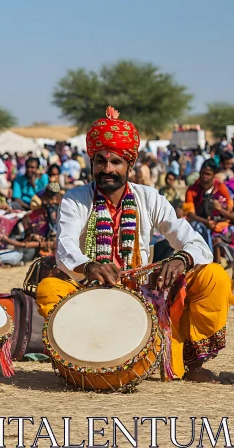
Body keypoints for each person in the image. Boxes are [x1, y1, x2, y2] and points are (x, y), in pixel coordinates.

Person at [42, 106, 231, 384]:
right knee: (49, 289)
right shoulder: (76, 198)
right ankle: (83, 363)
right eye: (101, 162)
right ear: (92, 164)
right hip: (89, 294)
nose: (108, 169)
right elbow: (66, 245)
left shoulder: (149, 198)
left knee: (214, 276)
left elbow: (190, 238)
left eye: (116, 162)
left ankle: (191, 363)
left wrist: (180, 261)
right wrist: (89, 265)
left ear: (130, 165)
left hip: (144, 293)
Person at [185, 160, 234, 250]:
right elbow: (190, 214)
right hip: (201, 223)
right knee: (199, 228)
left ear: (214, 174)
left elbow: (230, 213)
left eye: (208, 174)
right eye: (202, 173)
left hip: (221, 225)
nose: (204, 177)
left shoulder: (221, 188)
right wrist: (206, 222)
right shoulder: (192, 190)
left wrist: (219, 209)